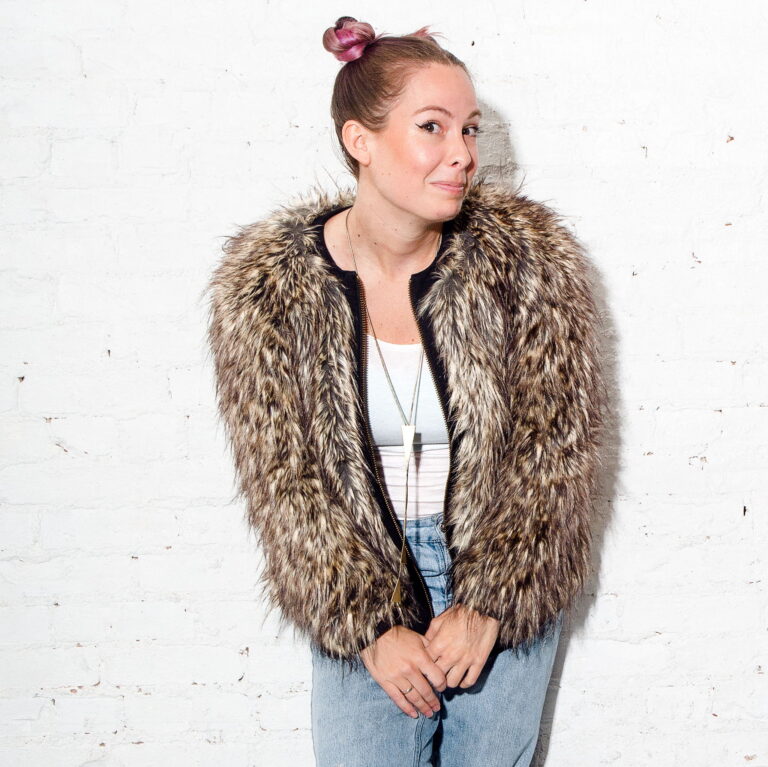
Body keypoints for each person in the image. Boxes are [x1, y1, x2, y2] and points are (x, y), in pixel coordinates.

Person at [206, 16, 606, 767]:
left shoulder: (530, 267)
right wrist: (367, 624)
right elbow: (283, 480)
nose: (461, 154)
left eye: (470, 130)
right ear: (361, 139)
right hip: (360, 577)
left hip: (496, 578)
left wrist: (490, 602)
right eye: (433, 127)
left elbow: (558, 451)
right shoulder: (267, 293)